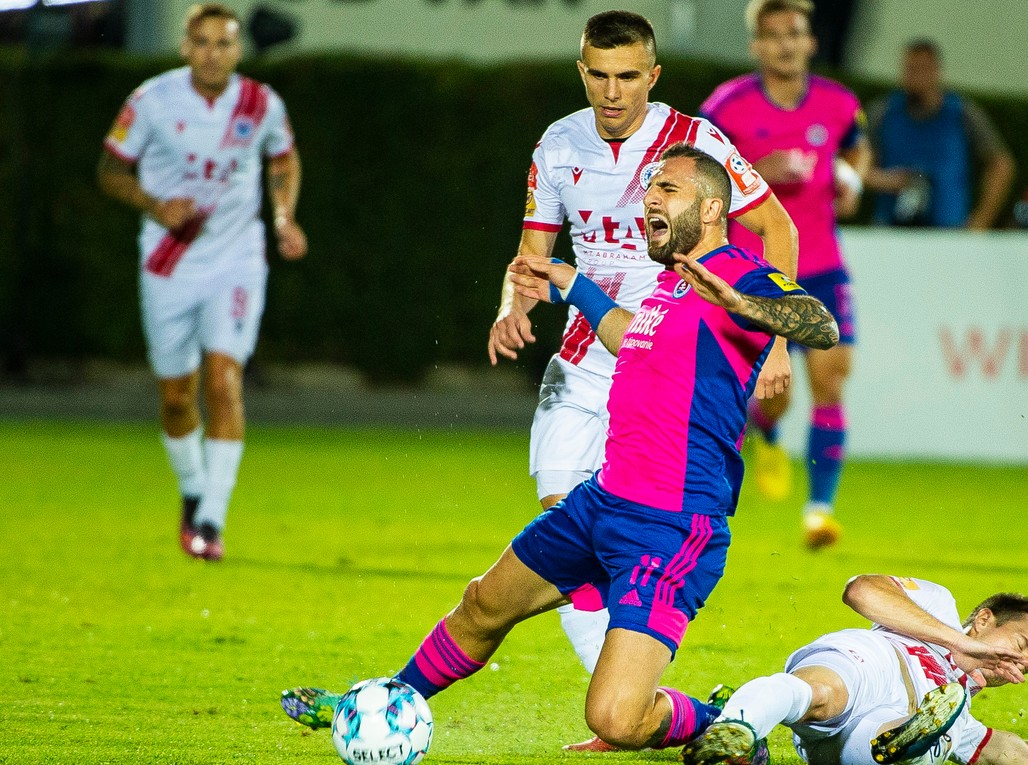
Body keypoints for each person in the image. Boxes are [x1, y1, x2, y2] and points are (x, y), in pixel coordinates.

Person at [281, 144, 838, 754]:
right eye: (649, 185)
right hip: (600, 504)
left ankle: (717, 718)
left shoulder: (737, 272)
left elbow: (820, 322)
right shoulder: (669, 288)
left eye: (667, 189)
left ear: (710, 209)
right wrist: (578, 287)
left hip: (671, 525)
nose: (650, 196)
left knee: (616, 720)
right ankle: (387, 704)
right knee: (483, 604)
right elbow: (633, 339)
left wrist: (745, 304)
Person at [485, 9, 800, 720]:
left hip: (667, 362)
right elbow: (532, 255)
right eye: (598, 75)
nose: (612, 91)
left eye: (628, 77)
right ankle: (624, 703)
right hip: (583, 359)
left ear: (652, 76)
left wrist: (776, 338)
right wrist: (513, 306)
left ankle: (630, 702)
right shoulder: (558, 144)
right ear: (582, 72)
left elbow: (775, 223)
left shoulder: (694, 142)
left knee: (644, 527)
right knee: (564, 521)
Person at [97, 3, 306, 562]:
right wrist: (153, 204)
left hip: (236, 259)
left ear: (237, 50)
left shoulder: (260, 103)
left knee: (223, 379)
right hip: (168, 260)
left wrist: (284, 217)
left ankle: (212, 518)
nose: (214, 53)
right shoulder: (151, 101)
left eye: (224, 43)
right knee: (174, 397)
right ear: (186, 47)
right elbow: (110, 170)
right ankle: (193, 490)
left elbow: (283, 162)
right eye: (203, 42)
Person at [683, 575, 1028, 765]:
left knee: (925, 746)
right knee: (821, 691)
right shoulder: (937, 605)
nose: (1020, 663)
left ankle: (911, 741)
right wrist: (959, 644)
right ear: (984, 619)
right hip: (878, 661)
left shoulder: (958, 708)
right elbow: (860, 592)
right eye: (1021, 644)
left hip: (889, 726)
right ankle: (738, 728)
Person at [701, 0, 868, 550]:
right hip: (755, 271)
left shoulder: (839, 103)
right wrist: (756, 175)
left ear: (811, 41)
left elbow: (856, 149)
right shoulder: (726, 108)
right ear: (756, 47)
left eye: (793, 34)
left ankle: (819, 512)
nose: (784, 45)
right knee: (774, 395)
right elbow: (698, 179)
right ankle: (767, 430)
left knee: (831, 379)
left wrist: (853, 182)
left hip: (821, 266)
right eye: (772, 37)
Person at [863, 39, 1014, 230]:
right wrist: (887, 181)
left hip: (949, 231)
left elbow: (1001, 164)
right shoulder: (883, 113)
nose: (915, 78)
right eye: (910, 70)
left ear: (936, 71)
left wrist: (980, 221)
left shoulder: (961, 113)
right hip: (891, 229)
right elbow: (856, 166)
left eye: (922, 70)